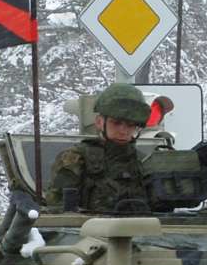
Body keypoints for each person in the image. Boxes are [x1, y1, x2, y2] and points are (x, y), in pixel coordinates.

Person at [48, 82, 167, 214]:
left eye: (131, 125)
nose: (123, 131)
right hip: (91, 232)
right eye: (116, 123)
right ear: (99, 122)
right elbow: (59, 211)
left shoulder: (144, 162)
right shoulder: (74, 159)